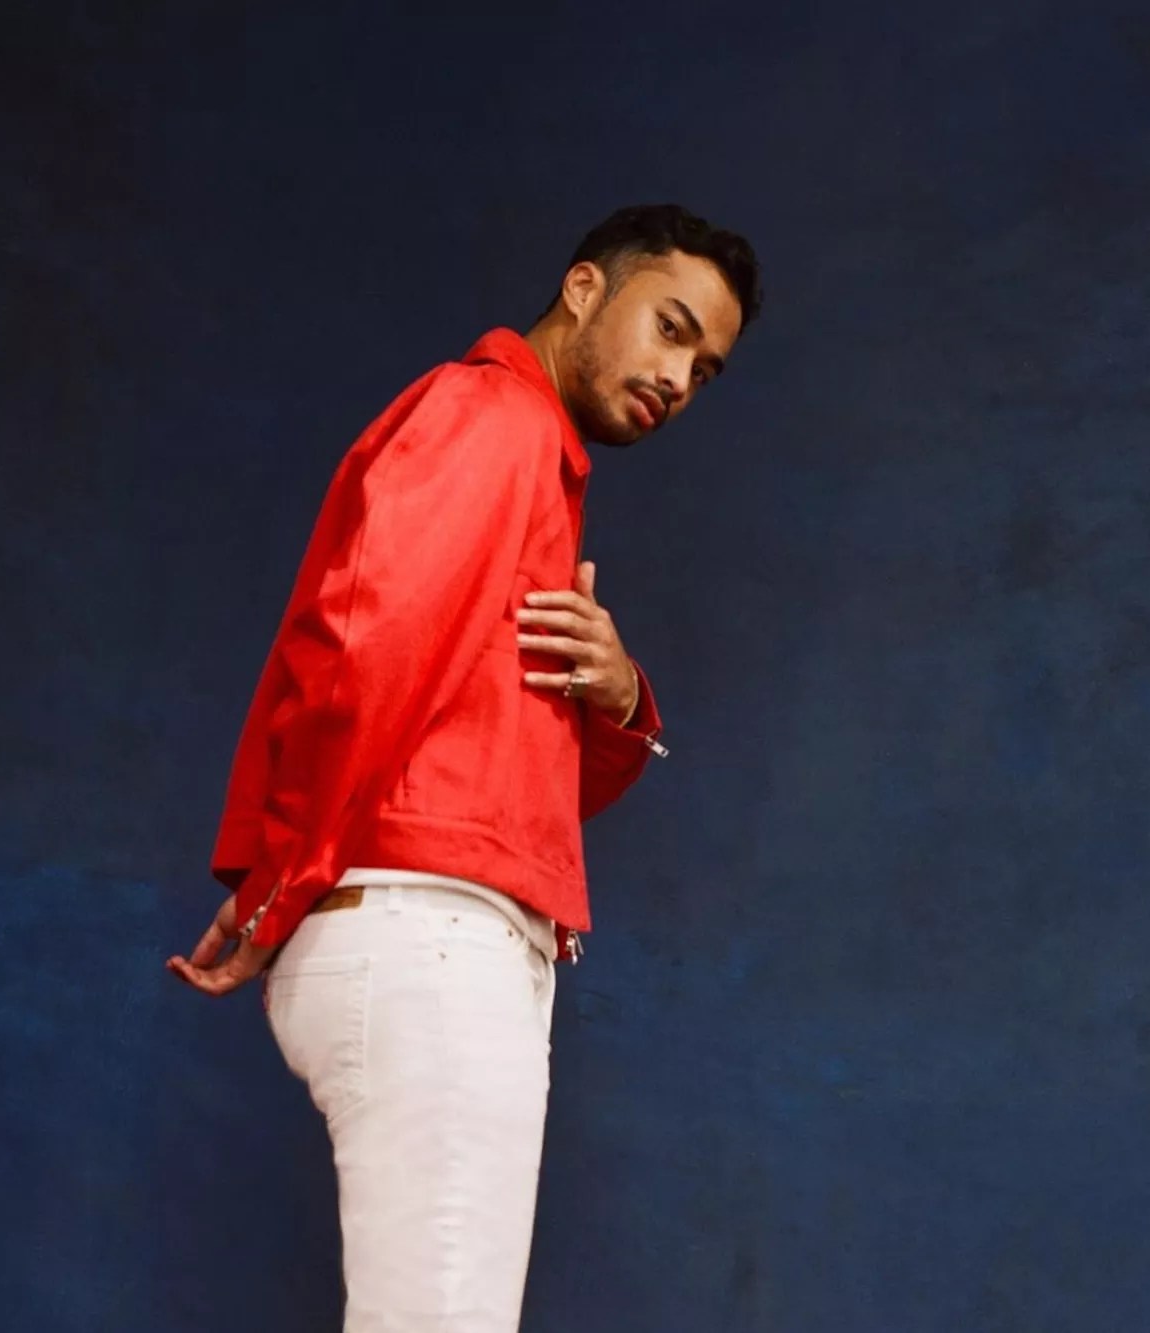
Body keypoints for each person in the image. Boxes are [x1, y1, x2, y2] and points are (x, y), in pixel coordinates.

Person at [167, 203, 761, 1331]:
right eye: (670, 328)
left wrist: (617, 698)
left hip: (439, 931)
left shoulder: (532, 458)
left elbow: (509, 787)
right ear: (584, 289)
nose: (679, 378)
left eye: (706, 367)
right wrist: (282, 880)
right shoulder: (492, 416)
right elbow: (361, 654)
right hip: (427, 939)